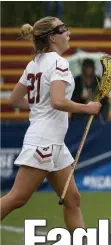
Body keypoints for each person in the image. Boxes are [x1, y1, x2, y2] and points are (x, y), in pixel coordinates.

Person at [0, 17, 100, 233]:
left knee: (72, 198)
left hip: (53, 142)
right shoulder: (58, 63)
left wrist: (39, 106)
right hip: (44, 141)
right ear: (53, 37)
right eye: (63, 29)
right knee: (17, 198)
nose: (68, 32)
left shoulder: (35, 62)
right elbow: (58, 101)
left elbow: (14, 100)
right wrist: (87, 108)